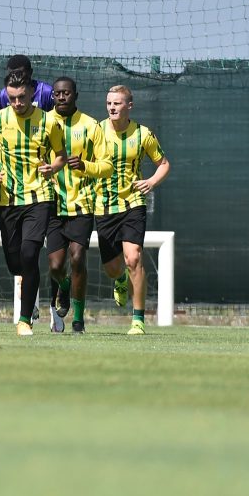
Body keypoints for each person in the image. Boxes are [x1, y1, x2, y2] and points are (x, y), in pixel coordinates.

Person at [0, 71, 66, 336]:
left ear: (31, 92)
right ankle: (42, 291)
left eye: (22, 97)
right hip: (7, 199)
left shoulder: (49, 122)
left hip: (40, 197)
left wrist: (53, 168)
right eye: (12, 98)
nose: (17, 103)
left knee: (30, 254)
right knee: (15, 264)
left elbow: (61, 156)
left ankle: (25, 319)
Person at [95, 85, 171, 335]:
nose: (112, 107)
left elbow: (163, 163)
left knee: (134, 258)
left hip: (133, 205)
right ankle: (119, 280)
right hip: (103, 206)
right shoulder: (96, 131)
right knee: (113, 269)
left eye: (117, 103)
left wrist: (150, 182)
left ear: (129, 106)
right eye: (109, 103)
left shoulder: (143, 134)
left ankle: (138, 319)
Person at [44, 77, 113, 334]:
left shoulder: (91, 125)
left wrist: (86, 166)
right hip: (51, 204)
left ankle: (78, 320)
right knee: (54, 266)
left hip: (82, 204)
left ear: (75, 95)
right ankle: (63, 287)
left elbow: (107, 166)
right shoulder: (43, 122)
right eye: (58, 94)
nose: (61, 97)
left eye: (67, 93)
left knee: (78, 258)